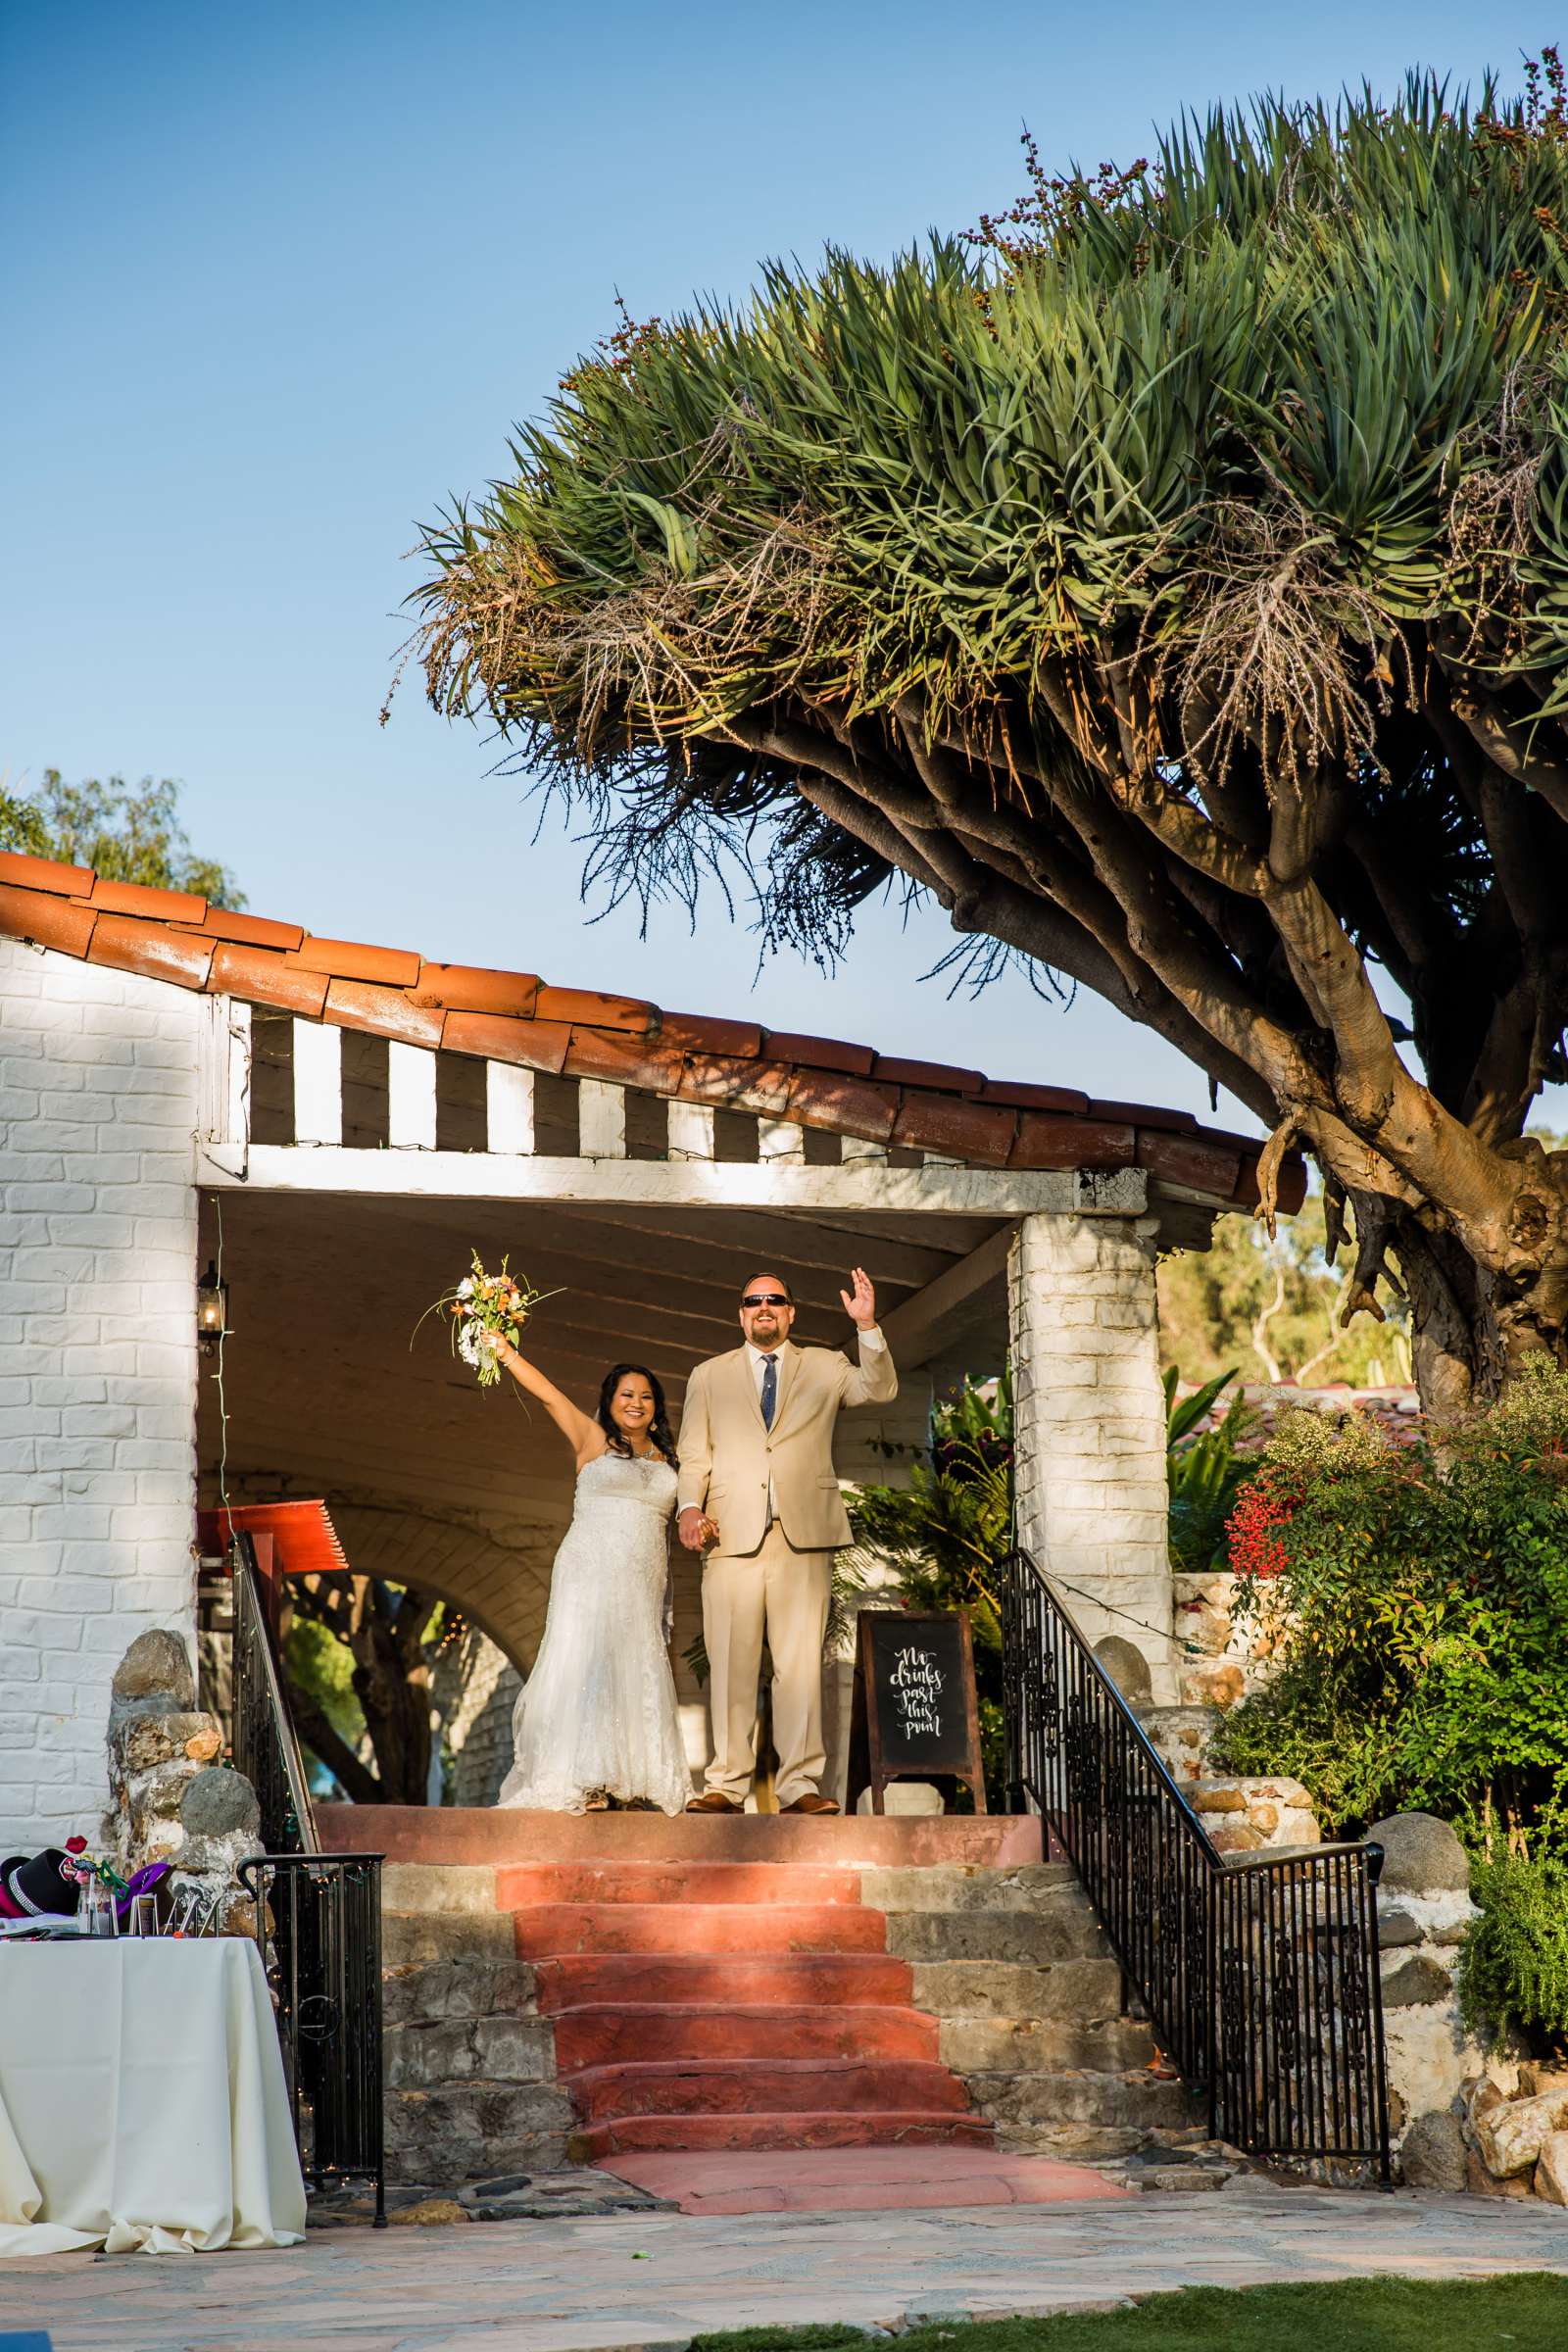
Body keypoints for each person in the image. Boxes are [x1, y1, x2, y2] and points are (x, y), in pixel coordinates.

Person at [677, 1268, 897, 1816]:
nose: (764, 1308)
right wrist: (689, 1507)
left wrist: (867, 1325)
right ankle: (727, 1785)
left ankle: (800, 1786)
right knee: (730, 1661)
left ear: (791, 1313)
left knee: (799, 1667)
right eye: (753, 1301)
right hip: (729, 1536)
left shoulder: (824, 1365)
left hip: (804, 1537)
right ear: (741, 1313)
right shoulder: (708, 1375)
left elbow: (880, 1387)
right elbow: (695, 1455)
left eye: (775, 1300)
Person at [484, 1342, 691, 1815]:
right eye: (626, 1395)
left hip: (642, 1578)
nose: (635, 1403)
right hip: (588, 1569)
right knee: (587, 1663)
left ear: (656, 1407)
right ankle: (586, 1779)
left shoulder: (672, 1462)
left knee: (637, 1663)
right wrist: (505, 1352)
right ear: (610, 1402)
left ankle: (635, 1777)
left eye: (645, 1396)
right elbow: (550, 1396)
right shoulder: (592, 1441)